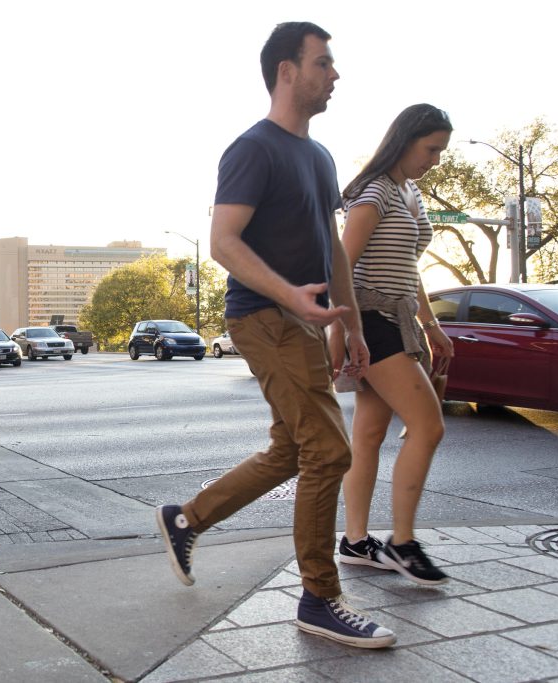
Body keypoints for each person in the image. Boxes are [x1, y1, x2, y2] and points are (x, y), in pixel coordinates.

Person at [155, 22, 395, 648]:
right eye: (324, 62)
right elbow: (223, 242)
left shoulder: (319, 156)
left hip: (307, 320)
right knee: (330, 451)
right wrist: (288, 293)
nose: (334, 74)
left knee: (295, 450)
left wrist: (352, 320)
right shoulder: (252, 149)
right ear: (287, 71)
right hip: (264, 315)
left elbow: (332, 250)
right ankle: (320, 598)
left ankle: (187, 519)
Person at [329, 104, 455, 586]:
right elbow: (341, 261)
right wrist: (342, 330)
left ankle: (356, 540)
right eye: (431, 149)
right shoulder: (376, 191)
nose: (436, 160)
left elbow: (408, 264)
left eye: (441, 150)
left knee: (368, 436)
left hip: (395, 319)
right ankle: (403, 543)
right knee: (428, 425)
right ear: (405, 140)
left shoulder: (410, 192)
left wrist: (430, 322)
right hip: (370, 321)